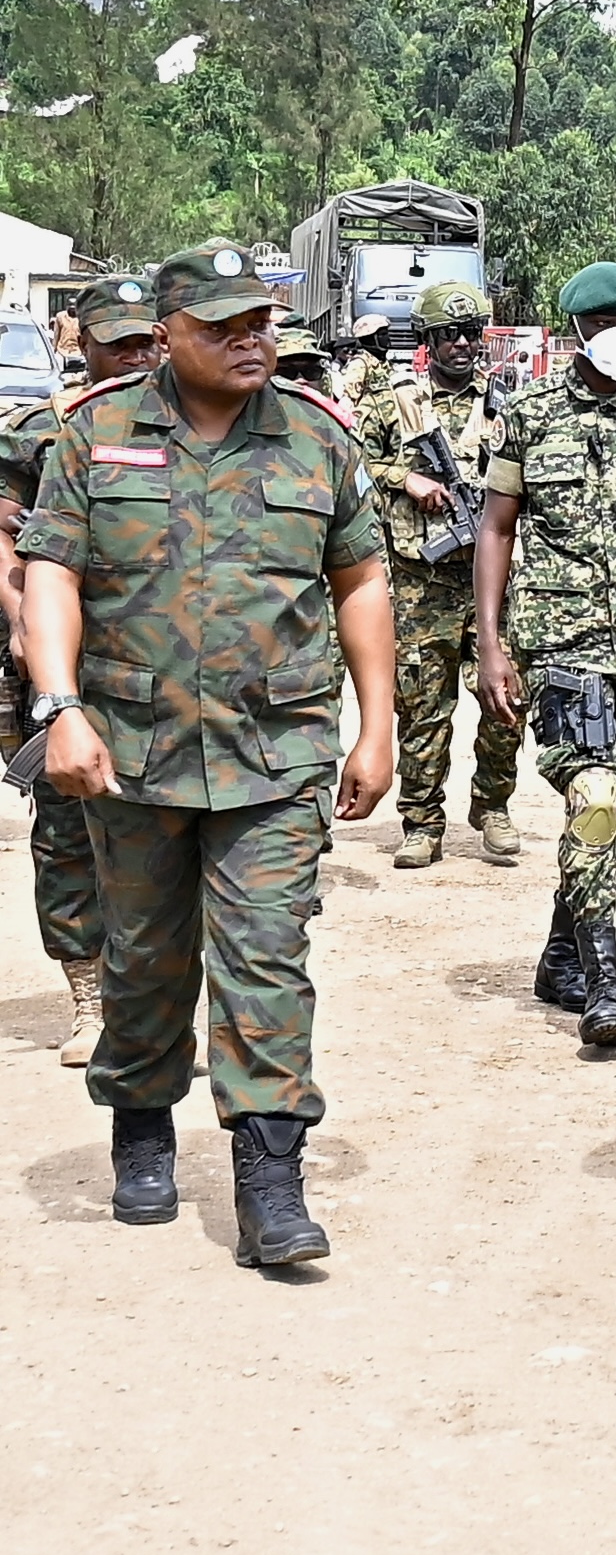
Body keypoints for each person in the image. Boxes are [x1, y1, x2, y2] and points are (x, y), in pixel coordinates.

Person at [18, 242, 398, 1264]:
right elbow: (50, 571)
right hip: (131, 750)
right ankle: (142, 1127)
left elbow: (361, 579)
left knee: (267, 956)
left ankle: (270, 1177)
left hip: (275, 754)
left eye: (262, 322)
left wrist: (380, 721)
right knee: (145, 958)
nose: (250, 340)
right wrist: (60, 705)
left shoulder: (316, 438)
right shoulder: (96, 433)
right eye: (224, 325)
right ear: (168, 333)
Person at [469, 263, 616, 1051]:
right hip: (562, 641)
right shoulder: (530, 416)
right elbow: (496, 529)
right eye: (604, 320)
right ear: (574, 329)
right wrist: (492, 645)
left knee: (608, 814)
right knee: (595, 798)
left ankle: (556, 956)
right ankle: (606, 983)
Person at [0, 274, 167, 1065]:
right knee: (67, 832)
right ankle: (90, 999)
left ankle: (162, 996)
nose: (136, 356)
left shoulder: (192, 426)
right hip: (63, 662)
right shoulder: (42, 430)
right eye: (119, 343)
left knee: (167, 832)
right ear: (83, 346)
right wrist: (23, 622)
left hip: (160, 665)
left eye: (147, 340)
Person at [352, 277, 522, 868]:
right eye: (449, 334)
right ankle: (422, 821)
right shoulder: (392, 402)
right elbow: (349, 461)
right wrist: (407, 478)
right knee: (423, 709)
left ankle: (492, 805)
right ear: (428, 339)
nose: (462, 344)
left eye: (471, 333)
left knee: (506, 698)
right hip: (420, 584)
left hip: (489, 581)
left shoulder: (506, 403)